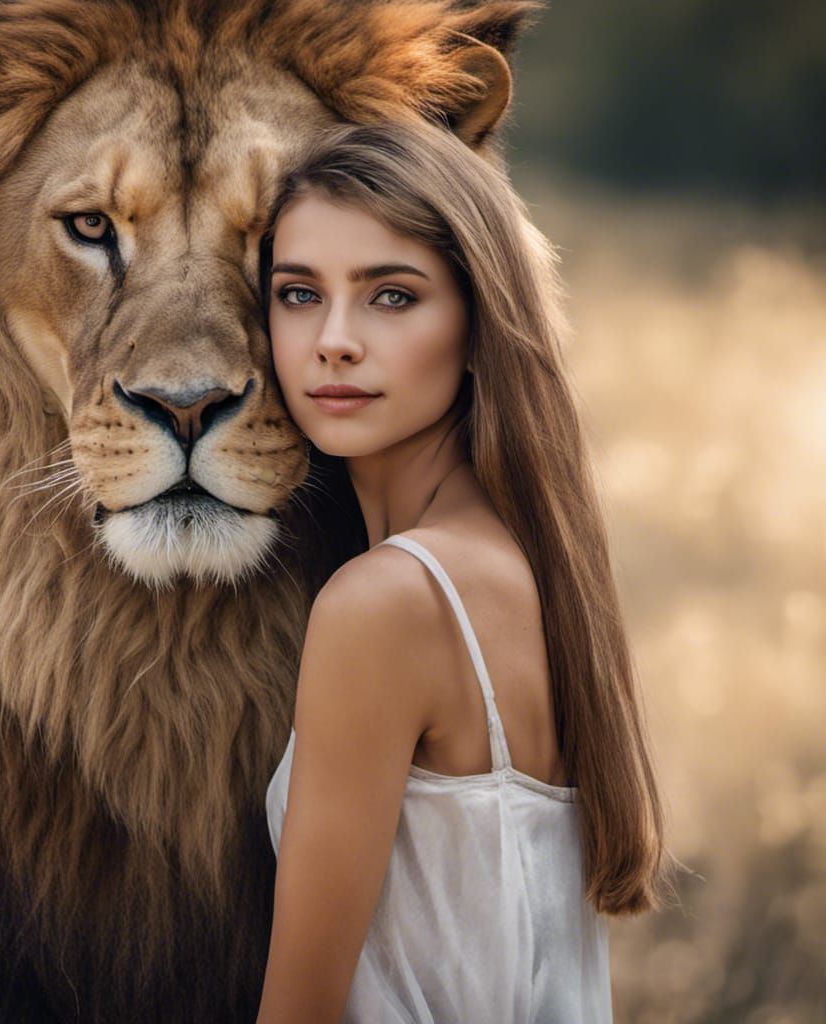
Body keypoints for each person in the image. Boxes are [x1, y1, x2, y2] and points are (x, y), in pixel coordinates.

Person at [254, 121, 671, 1024]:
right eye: (297, 293)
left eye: (391, 297)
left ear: (481, 327)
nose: (332, 340)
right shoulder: (532, 568)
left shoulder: (388, 604)